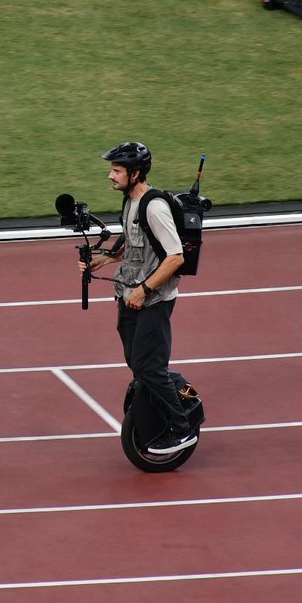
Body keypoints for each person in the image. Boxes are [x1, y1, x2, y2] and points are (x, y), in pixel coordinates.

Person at [79, 141, 198, 455]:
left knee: (149, 365)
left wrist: (144, 290)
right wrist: (102, 259)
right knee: (136, 360)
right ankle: (165, 393)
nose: (110, 175)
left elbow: (175, 257)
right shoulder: (130, 202)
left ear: (134, 173)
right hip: (129, 295)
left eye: (116, 170)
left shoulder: (154, 207)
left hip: (153, 300)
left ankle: (181, 428)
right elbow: (133, 244)